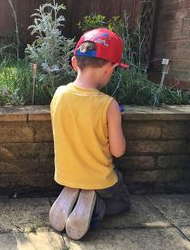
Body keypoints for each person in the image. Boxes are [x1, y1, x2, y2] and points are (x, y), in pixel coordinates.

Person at [49, 28, 131, 240]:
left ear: (75, 63)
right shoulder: (108, 105)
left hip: (67, 176)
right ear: (110, 69)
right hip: (100, 180)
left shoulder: (59, 94)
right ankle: (96, 207)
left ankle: (73, 198)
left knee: (80, 181)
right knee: (123, 201)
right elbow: (118, 151)